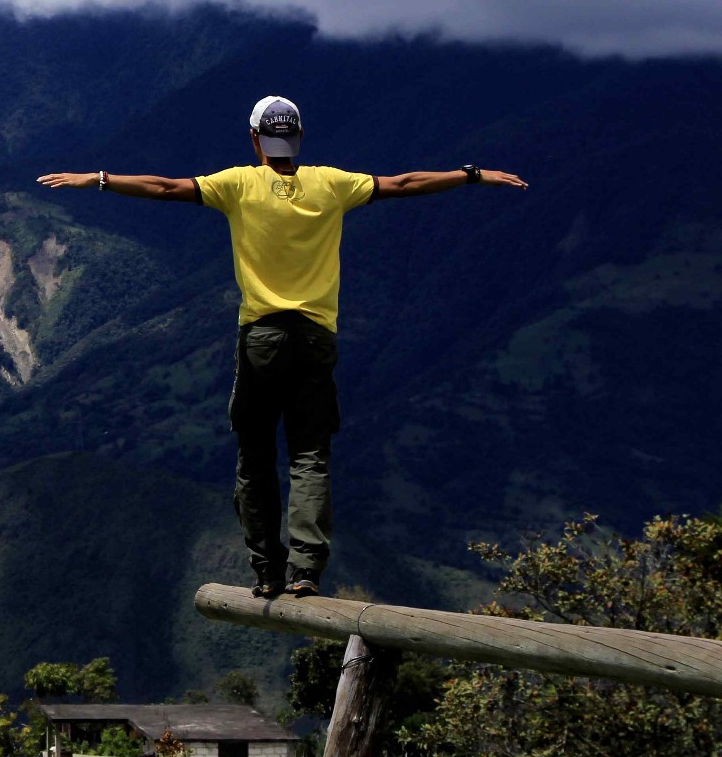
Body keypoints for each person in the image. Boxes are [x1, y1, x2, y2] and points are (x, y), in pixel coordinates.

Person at [37, 96, 526, 597]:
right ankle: (307, 570)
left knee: (254, 455)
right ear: (299, 138)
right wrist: (471, 174)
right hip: (316, 337)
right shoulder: (333, 183)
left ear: (255, 140)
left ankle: (267, 570)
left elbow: (164, 187)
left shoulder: (238, 185)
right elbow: (404, 184)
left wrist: (96, 179)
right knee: (310, 453)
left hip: (262, 339)